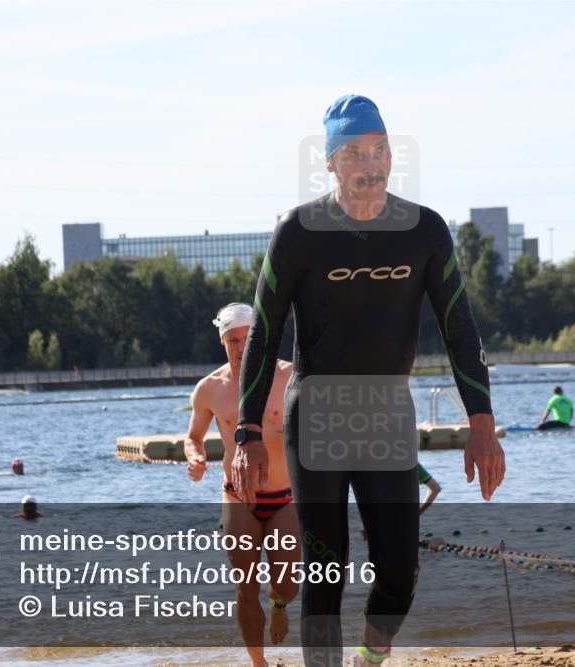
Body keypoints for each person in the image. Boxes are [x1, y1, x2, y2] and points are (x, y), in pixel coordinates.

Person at [231, 94, 506, 666]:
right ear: (330, 161)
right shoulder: (299, 231)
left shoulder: (424, 231)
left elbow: (459, 326)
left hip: (387, 414)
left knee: (401, 573)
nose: (370, 164)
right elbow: (265, 334)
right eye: (355, 152)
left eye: (379, 150)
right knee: (325, 576)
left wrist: (483, 423)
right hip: (319, 419)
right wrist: (246, 432)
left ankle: (369, 657)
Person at [184, 302, 300, 667]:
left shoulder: (290, 377)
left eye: (247, 339)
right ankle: (258, 663)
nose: (240, 347)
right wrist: (195, 456)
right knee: (245, 587)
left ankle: (279, 604)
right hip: (236, 495)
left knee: (287, 584)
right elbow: (193, 436)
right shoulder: (209, 389)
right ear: (222, 342)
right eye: (232, 340)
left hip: (285, 497)